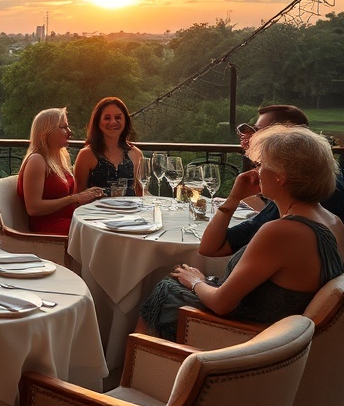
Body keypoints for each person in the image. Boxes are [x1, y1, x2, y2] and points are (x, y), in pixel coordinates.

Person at [139, 125, 344, 341]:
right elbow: (209, 248)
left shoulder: (282, 231)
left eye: (262, 164)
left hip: (253, 338)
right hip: (285, 334)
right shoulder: (333, 222)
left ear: (281, 176)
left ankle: (141, 367)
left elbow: (221, 304)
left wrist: (196, 281)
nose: (256, 171)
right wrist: (234, 198)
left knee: (167, 288)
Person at [199, 104, 344, 257]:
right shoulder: (296, 195)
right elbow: (215, 246)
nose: (248, 135)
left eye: (257, 131)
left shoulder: (310, 202)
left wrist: (196, 281)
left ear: (288, 136)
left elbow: (213, 249)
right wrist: (233, 200)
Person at [17, 108, 104, 235]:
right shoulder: (37, 160)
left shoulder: (61, 157)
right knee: (101, 232)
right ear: (47, 131)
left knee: (110, 223)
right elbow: (33, 208)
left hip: (70, 220)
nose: (69, 132)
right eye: (63, 127)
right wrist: (75, 198)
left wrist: (90, 197)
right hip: (49, 227)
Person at [73, 97, 143, 197]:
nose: (113, 122)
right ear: (98, 122)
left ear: (125, 121)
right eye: (107, 118)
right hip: (95, 212)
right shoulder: (86, 154)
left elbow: (141, 194)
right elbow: (78, 198)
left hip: (129, 212)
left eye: (118, 117)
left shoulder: (136, 154)